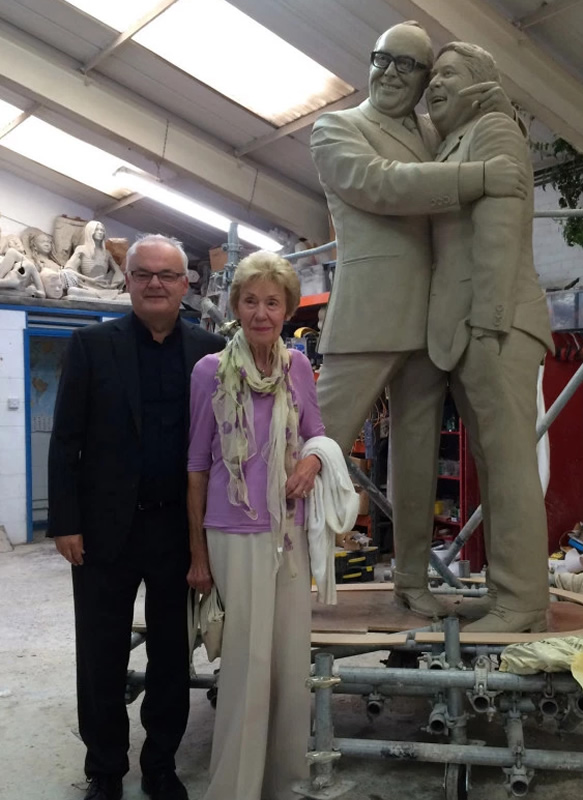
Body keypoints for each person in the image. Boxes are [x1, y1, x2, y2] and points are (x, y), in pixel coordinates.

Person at [310, 20, 526, 617]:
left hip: (436, 320)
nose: (390, 74)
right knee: (313, 446)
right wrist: (479, 177)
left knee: (416, 455)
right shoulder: (337, 127)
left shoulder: (439, 131)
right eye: (383, 59)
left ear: (426, 78)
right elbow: (381, 185)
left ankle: (412, 580)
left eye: (408, 65)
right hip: (370, 314)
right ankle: (263, 574)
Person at [48, 234, 225, 800]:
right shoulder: (91, 345)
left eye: (167, 275)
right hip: (102, 531)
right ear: (129, 281)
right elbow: (66, 440)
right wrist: (65, 521)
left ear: (185, 285)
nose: (155, 283)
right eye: (144, 274)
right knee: (101, 652)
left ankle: (160, 765)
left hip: (178, 529)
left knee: (172, 654)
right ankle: (104, 768)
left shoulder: (210, 349)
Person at [186, 250, 325, 800]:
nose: (262, 312)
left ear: (288, 308)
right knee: (245, 666)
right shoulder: (209, 372)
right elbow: (197, 464)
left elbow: (318, 435)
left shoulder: (298, 369)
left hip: (287, 532)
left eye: (273, 301)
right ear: (236, 307)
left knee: (290, 666)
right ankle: (235, 790)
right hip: (231, 532)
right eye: (251, 301)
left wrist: (312, 462)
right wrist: (197, 555)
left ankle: (285, 786)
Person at [426, 42, 555, 633]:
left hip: (496, 324)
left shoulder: (495, 130)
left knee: (508, 467)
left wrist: (490, 322)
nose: (434, 85)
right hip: (476, 327)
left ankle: (523, 602)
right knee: (494, 464)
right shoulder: (459, 138)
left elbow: (499, 235)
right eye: (433, 76)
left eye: (447, 73)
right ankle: (508, 591)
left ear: (479, 81)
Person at [65, 220, 125, 288]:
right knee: (74, 291)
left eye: (102, 230)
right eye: (96, 230)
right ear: (90, 231)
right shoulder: (81, 249)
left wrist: (112, 285)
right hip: (87, 287)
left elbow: (118, 271)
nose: (100, 232)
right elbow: (68, 270)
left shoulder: (107, 253)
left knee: (126, 296)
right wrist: (91, 280)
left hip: (104, 287)